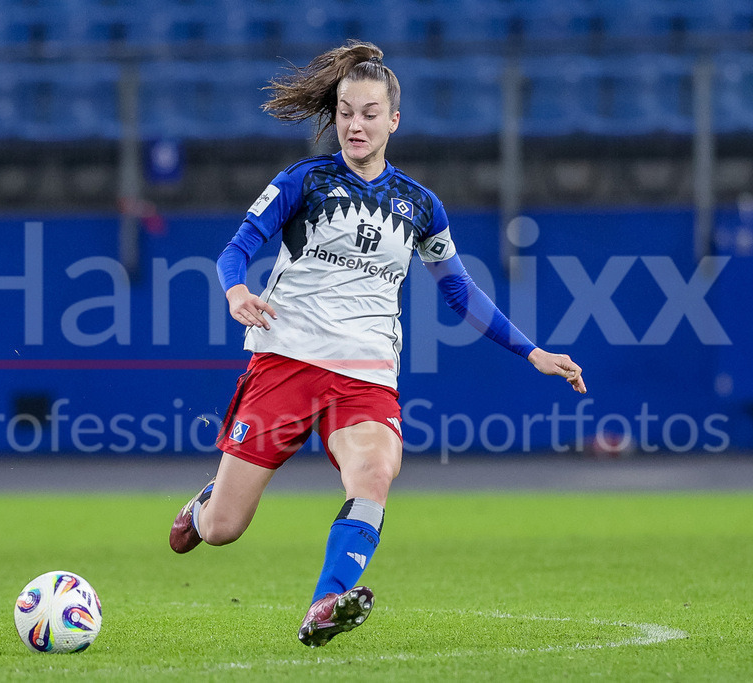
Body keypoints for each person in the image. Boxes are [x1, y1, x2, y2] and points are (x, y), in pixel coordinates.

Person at [169, 40, 586, 648]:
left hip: (365, 376)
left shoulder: (420, 205)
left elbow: (460, 292)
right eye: (345, 112)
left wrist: (533, 352)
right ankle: (204, 507)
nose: (354, 124)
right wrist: (234, 291)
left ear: (393, 119)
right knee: (227, 527)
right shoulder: (303, 181)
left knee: (374, 474)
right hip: (286, 362)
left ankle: (327, 602)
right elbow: (236, 249)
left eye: (368, 113)